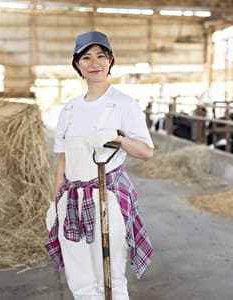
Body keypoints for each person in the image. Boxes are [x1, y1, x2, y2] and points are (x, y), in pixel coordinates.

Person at [45, 30, 154, 300]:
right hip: (71, 199)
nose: (94, 63)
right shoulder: (68, 110)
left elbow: (147, 152)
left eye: (101, 56)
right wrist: (53, 202)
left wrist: (118, 138)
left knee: (111, 278)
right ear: (77, 65)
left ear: (110, 61)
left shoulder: (123, 104)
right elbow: (64, 159)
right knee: (80, 280)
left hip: (106, 197)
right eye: (86, 57)